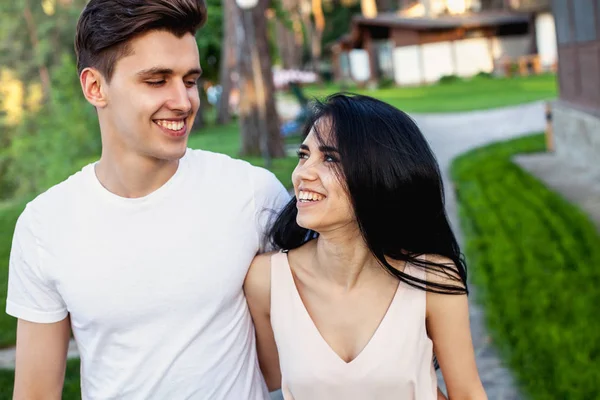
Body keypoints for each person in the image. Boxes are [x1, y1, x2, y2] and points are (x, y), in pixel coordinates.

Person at [6, 0, 288, 398]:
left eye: (189, 80)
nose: (184, 101)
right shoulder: (44, 226)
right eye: (157, 81)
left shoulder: (253, 194)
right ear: (95, 87)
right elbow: (36, 393)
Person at [244, 94, 488, 400]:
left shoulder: (434, 278)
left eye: (330, 158)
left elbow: (466, 392)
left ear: (378, 175)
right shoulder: (266, 280)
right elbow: (270, 377)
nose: (302, 173)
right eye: (304, 155)